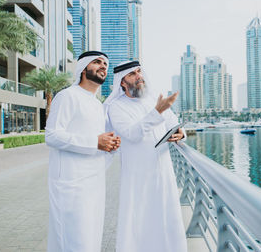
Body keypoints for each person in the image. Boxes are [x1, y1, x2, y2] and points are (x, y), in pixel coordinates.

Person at [105, 60, 187, 252]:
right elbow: (132, 133)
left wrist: (181, 132)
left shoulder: (152, 99)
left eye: (139, 72)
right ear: (122, 82)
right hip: (137, 175)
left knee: (167, 218)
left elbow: (173, 123)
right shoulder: (116, 107)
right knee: (139, 220)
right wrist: (158, 110)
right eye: (132, 74)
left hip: (164, 172)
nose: (138, 76)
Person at [45, 51, 121, 252]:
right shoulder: (67, 96)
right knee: (74, 241)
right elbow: (52, 135)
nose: (103, 66)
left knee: (91, 240)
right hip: (71, 185)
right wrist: (95, 142)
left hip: (94, 184)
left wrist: (109, 147)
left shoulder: (97, 105)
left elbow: (95, 144)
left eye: (105, 63)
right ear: (83, 68)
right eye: (97, 62)